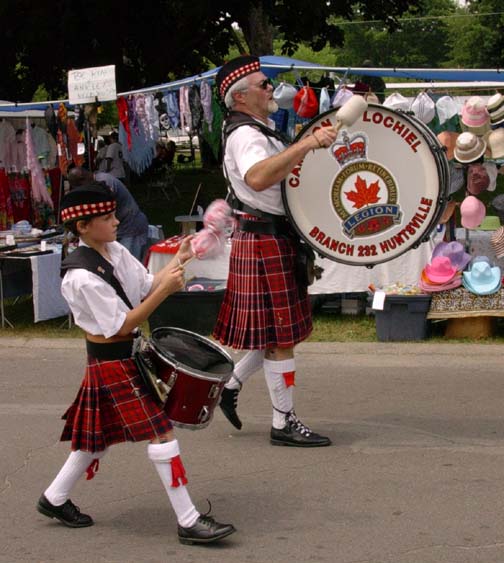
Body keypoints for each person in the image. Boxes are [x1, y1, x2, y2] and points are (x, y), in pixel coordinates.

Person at [36, 182, 235, 545]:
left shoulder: (114, 250)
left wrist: (181, 258)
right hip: (110, 361)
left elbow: (146, 284)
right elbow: (123, 325)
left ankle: (54, 498)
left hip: (128, 357)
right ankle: (188, 520)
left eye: (114, 214)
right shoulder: (80, 277)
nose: (117, 221)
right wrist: (166, 292)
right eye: (107, 217)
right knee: (162, 433)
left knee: (95, 439)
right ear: (83, 226)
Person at [213, 55, 337, 447]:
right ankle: (283, 423)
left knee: (276, 335)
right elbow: (257, 176)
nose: (271, 88)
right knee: (281, 339)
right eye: (263, 84)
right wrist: (307, 144)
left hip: (271, 236)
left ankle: (229, 385)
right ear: (241, 96)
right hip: (263, 237)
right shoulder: (245, 135)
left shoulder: (258, 128)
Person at [68, 167, 149, 261]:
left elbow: (100, 212)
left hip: (131, 227)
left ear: (83, 179)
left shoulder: (105, 182)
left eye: (79, 186)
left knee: (128, 262)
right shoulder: (94, 185)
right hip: (118, 227)